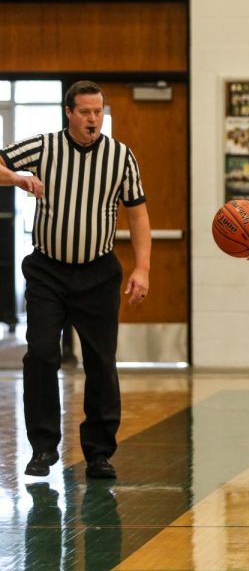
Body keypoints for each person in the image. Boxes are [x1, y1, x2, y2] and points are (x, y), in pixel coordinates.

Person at [0, 80, 151, 480]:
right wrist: (16, 179)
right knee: (42, 353)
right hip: (48, 271)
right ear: (69, 112)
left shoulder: (120, 156)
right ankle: (44, 448)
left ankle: (100, 452)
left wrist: (143, 267)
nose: (92, 119)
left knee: (101, 361)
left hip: (98, 273)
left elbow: (137, 215)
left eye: (98, 111)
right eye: (85, 111)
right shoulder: (44, 146)